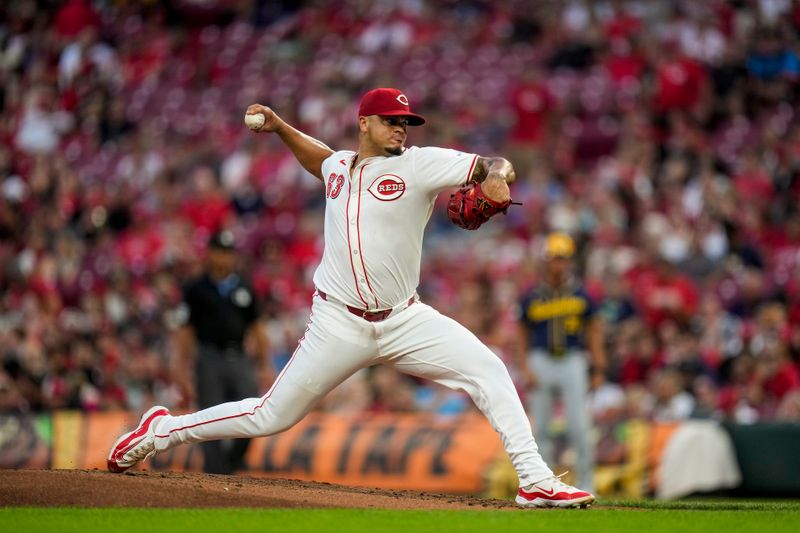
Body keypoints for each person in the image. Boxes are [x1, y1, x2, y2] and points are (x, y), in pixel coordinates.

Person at [107, 88, 595, 508]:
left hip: (405, 319)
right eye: (391, 121)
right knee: (270, 416)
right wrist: (279, 127)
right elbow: (319, 158)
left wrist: (496, 176)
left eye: (406, 121)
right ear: (365, 123)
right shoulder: (340, 166)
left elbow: (494, 163)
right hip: (338, 323)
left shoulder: (420, 165)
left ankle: (533, 480)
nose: (401, 128)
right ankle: (161, 431)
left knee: (488, 369)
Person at [172, 229, 270, 474]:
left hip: (239, 357)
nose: (225, 258)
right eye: (220, 252)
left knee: (253, 414)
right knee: (208, 418)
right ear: (210, 254)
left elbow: (257, 329)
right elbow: (185, 332)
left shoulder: (245, 287)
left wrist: (265, 365)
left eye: (229, 253)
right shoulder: (196, 288)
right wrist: (180, 368)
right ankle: (214, 475)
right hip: (209, 358)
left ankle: (231, 464)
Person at [516, 232, 606, 492]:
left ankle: (587, 483)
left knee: (579, 425)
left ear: (569, 262)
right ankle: (545, 484)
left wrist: (599, 368)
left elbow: (594, 331)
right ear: (546, 261)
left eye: (563, 259)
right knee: (540, 427)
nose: (558, 264)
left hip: (572, 360)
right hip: (541, 359)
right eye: (554, 259)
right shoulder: (531, 294)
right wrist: (524, 367)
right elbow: (521, 333)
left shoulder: (581, 293)